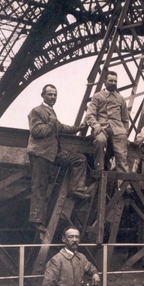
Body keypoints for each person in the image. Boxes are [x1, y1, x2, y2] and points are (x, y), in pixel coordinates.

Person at [27, 84, 90, 233]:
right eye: (50, 94)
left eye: (55, 95)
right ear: (43, 95)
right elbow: (36, 131)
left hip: (53, 153)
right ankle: (36, 220)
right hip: (40, 153)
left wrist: (78, 128)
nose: (53, 97)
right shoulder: (36, 111)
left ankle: (76, 188)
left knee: (79, 159)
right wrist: (51, 122)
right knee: (40, 186)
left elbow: (60, 127)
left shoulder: (51, 112)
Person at [85, 71, 130, 174]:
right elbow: (90, 115)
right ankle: (99, 171)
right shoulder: (97, 96)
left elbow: (125, 119)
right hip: (101, 127)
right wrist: (96, 126)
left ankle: (123, 183)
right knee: (100, 141)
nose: (113, 83)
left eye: (115, 81)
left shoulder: (121, 99)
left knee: (122, 154)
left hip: (118, 129)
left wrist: (125, 133)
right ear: (105, 82)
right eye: (111, 80)